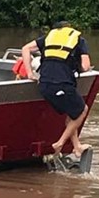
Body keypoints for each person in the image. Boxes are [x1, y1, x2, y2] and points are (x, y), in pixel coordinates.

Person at [21, 21, 93, 159]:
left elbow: (25, 49)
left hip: (44, 85)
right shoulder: (79, 40)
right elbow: (86, 66)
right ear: (70, 29)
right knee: (82, 110)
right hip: (62, 85)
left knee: (72, 114)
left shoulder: (48, 38)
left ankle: (76, 147)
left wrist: (30, 73)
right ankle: (59, 143)